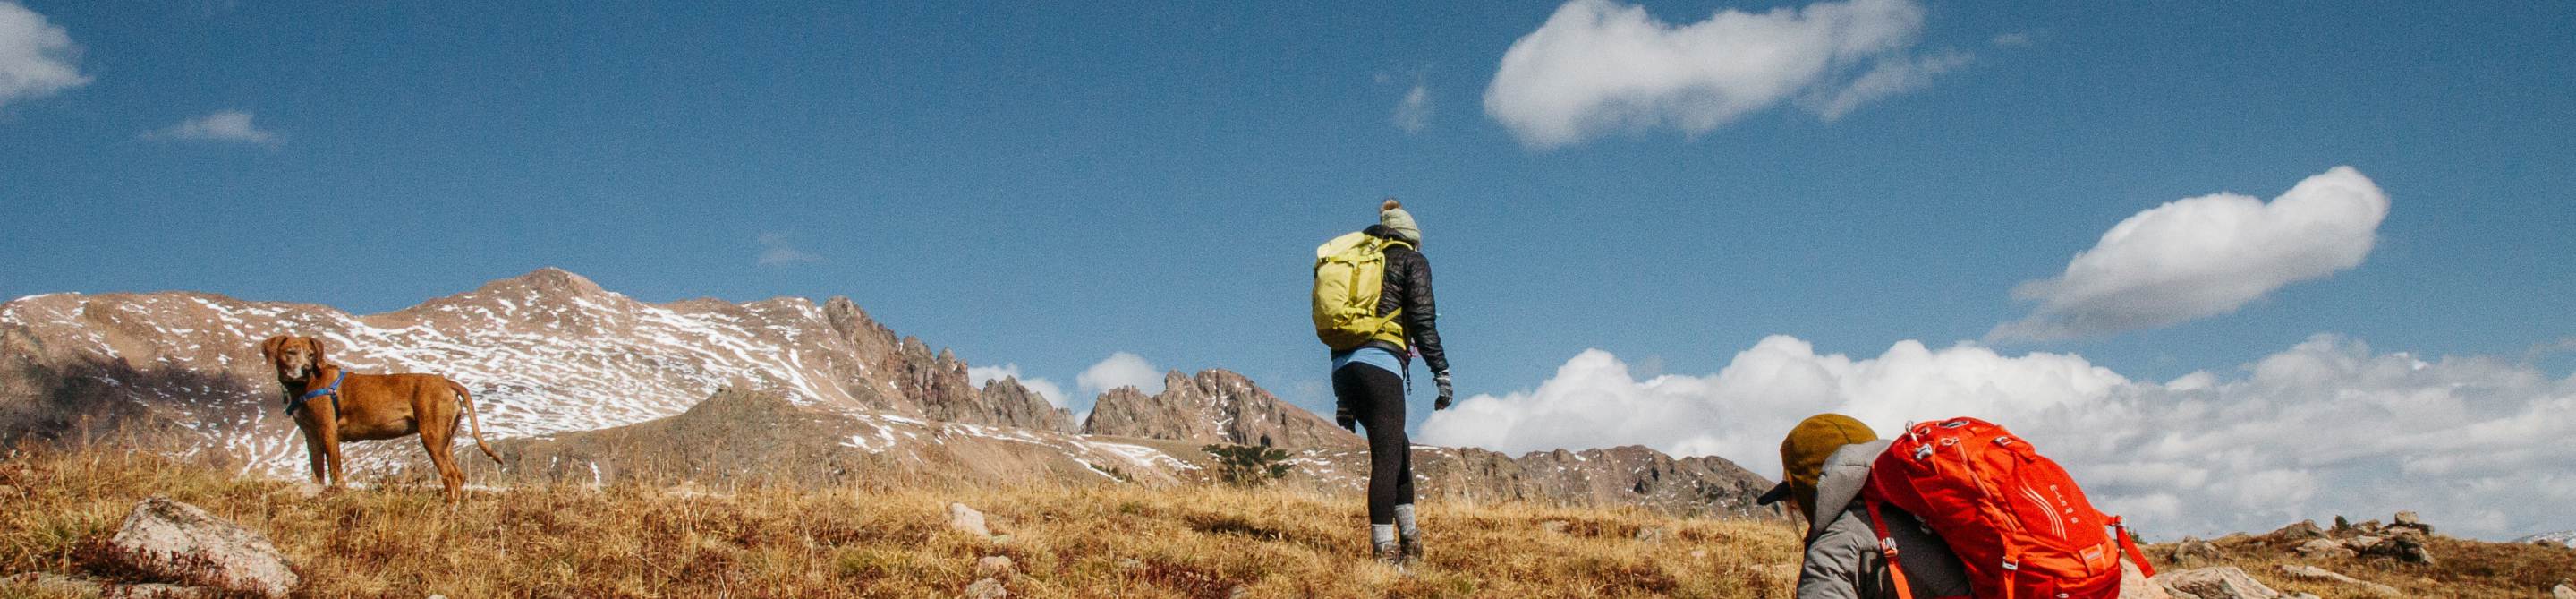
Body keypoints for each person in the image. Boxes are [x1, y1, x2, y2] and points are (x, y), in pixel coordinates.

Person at [1330, 198, 1452, 566]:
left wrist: (1345, 398)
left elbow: (1342, 323)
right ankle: (1384, 553)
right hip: (1379, 367)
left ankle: (1411, 539)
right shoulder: (1411, 261)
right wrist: (1440, 371)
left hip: (1343, 369)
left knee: (1398, 449)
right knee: (1386, 459)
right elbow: (1423, 320)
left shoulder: (1360, 262)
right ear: (1412, 238)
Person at [1757, 414, 1970, 599]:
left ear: (1811, 489)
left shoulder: (1834, 549)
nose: (1794, 509)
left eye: (1793, 499)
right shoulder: (1928, 511)